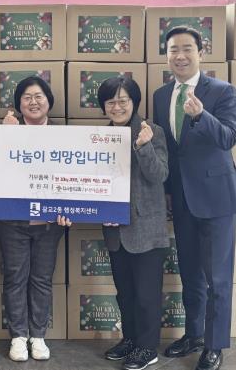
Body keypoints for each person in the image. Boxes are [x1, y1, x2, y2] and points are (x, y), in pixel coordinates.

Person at [152, 26, 236, 370]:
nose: (180, 56)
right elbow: (167, 149)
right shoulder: (161, 95)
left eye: (187, 48)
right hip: (182, 198)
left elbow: (228, 138)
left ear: (200, 52)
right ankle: (194, 334)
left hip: (217, 199)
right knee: (190, 273)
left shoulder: (222, 91)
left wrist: (200, 116)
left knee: (217, 278)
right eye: (173, 50)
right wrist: (166, 192)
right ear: (166, 56)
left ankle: (214, 346)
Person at [0, 76, 72, 362]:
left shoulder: (64, 134)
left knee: (42, 279)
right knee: (15, 277)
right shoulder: (7, 130)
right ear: (18, 104)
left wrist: (72, 211)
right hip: (13, 221)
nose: (33, 102)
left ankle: (38, 335)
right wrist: (5, 137)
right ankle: (18, 336)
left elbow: (75, 179)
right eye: (27, 97)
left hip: (50, 223)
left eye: (38, 96)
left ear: (48, 101)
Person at [97, 76, 169, 370]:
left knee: (146, 295)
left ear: (134, 102)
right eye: (110, 102)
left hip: (147, 230)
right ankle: (130, 339)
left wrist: (144, 146)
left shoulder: (152, 131)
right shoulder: (99, 137)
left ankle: (147, 348)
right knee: (125, 293)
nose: (117, 107)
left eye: (122, 101)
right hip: (114, 230)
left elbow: (160, 175)